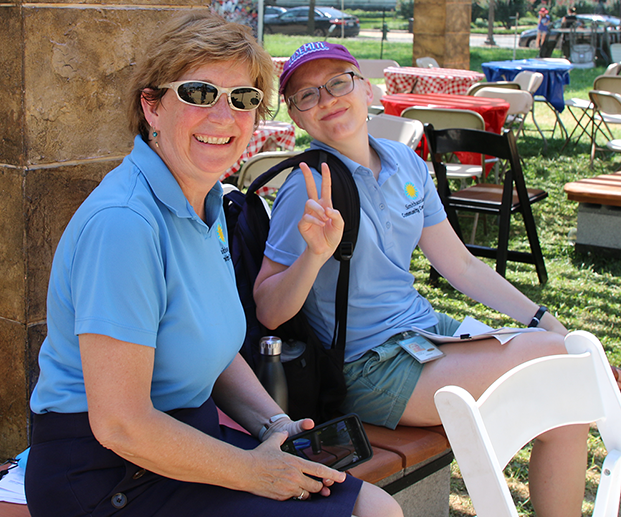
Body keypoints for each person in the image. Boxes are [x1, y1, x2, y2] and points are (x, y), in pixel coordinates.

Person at [24, 15, 401, 517]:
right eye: (200, 93)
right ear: (151, 106)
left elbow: (213, 348)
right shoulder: (125, 224)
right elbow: (121, 425)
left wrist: (274, 425)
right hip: (108, 474)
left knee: (372, 506)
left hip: (184, 439)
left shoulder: (207, 203)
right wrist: (258, 472)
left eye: (243, 99)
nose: (224, 117)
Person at [253, 42, 600, 517]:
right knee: (560, 363)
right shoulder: (308, 186)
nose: (327, 99)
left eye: (338, 82)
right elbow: (269, 309)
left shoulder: (404, 161)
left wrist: (540, 316)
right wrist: (314, 257)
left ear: (366, 87)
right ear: (296, 117)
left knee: (565, 409)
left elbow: (460, 265)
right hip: (369, 366)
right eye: (307, 95)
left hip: (426, 334)